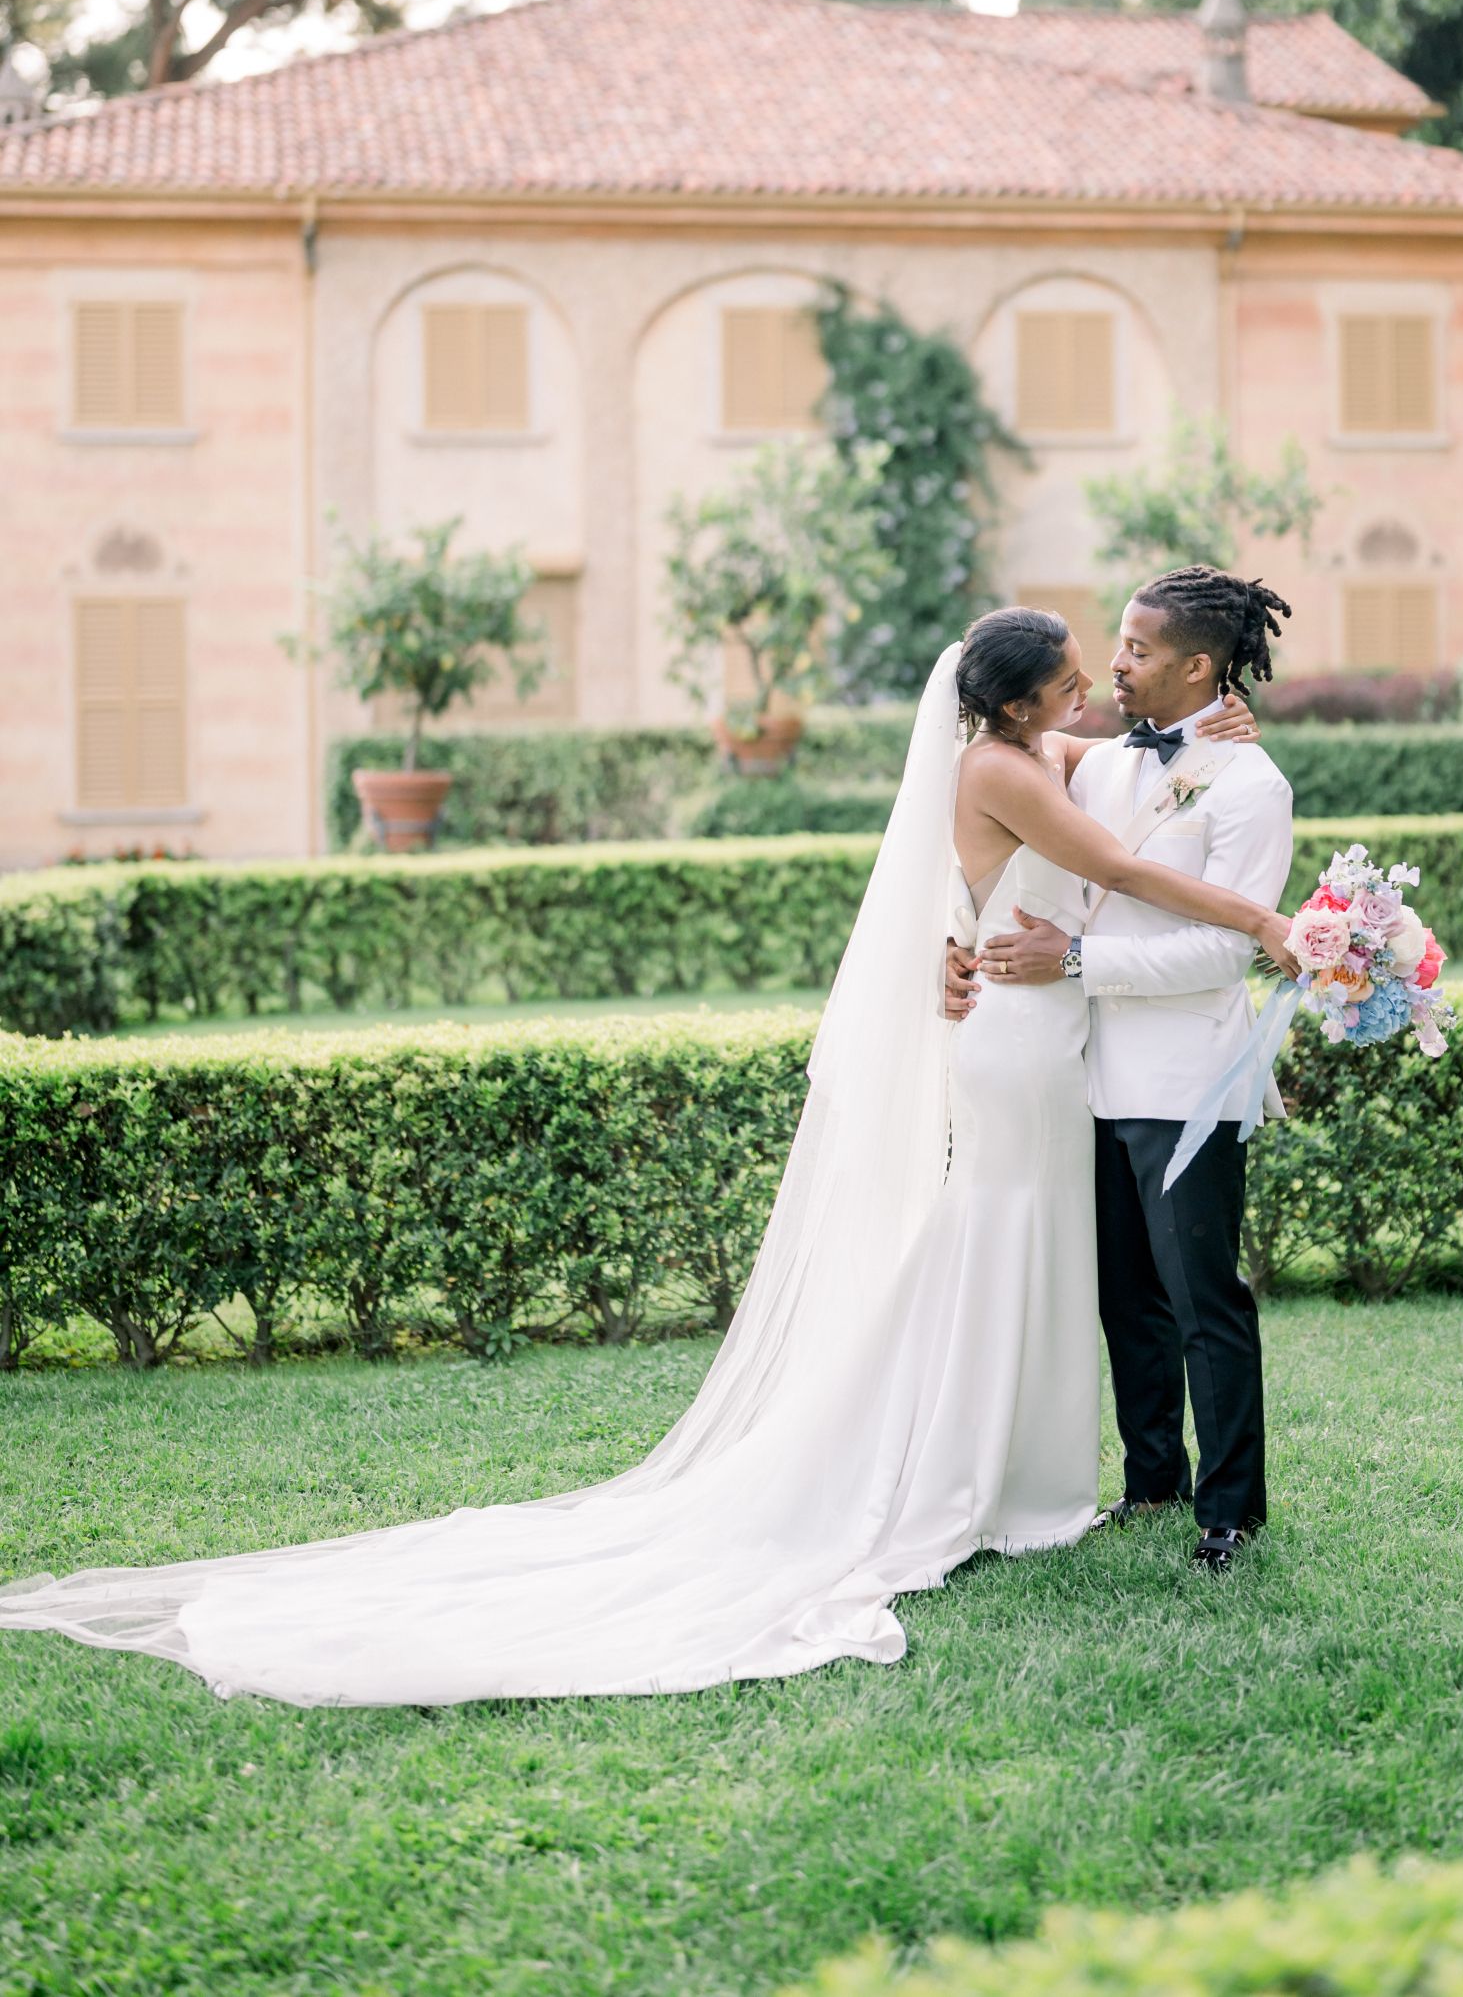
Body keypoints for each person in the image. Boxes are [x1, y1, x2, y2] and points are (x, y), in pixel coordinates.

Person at [0, 612, 1292, 1708]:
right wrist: (1272, 923)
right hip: (1017, 1040)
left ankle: (1035, 1462)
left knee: (1030, 1238)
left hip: (1037, 1032)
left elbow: (1111, 757)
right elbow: (1115, 860)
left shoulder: (1023, 746)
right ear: (1016, 698)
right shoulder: (1003, 773)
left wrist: (1197, 735)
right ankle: (975, 1468)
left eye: (1105, 660)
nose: (1090, 682)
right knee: (1009, 1232)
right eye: (1072, 669)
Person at [960, 568, 1295, 1573]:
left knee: (1204, 1301)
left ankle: (1231, 1511)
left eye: (1139, 651)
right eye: (1118, 642)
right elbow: (982, 759)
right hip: (1077, 1074)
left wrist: (1068, 963)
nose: (1115, 662)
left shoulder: (1254, 785)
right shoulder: (1095, 765)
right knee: (1123, 1299)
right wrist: (955, 937)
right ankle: (1154, 1478)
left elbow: (1217, 954)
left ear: (1200, 666)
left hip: (1188, 1079)